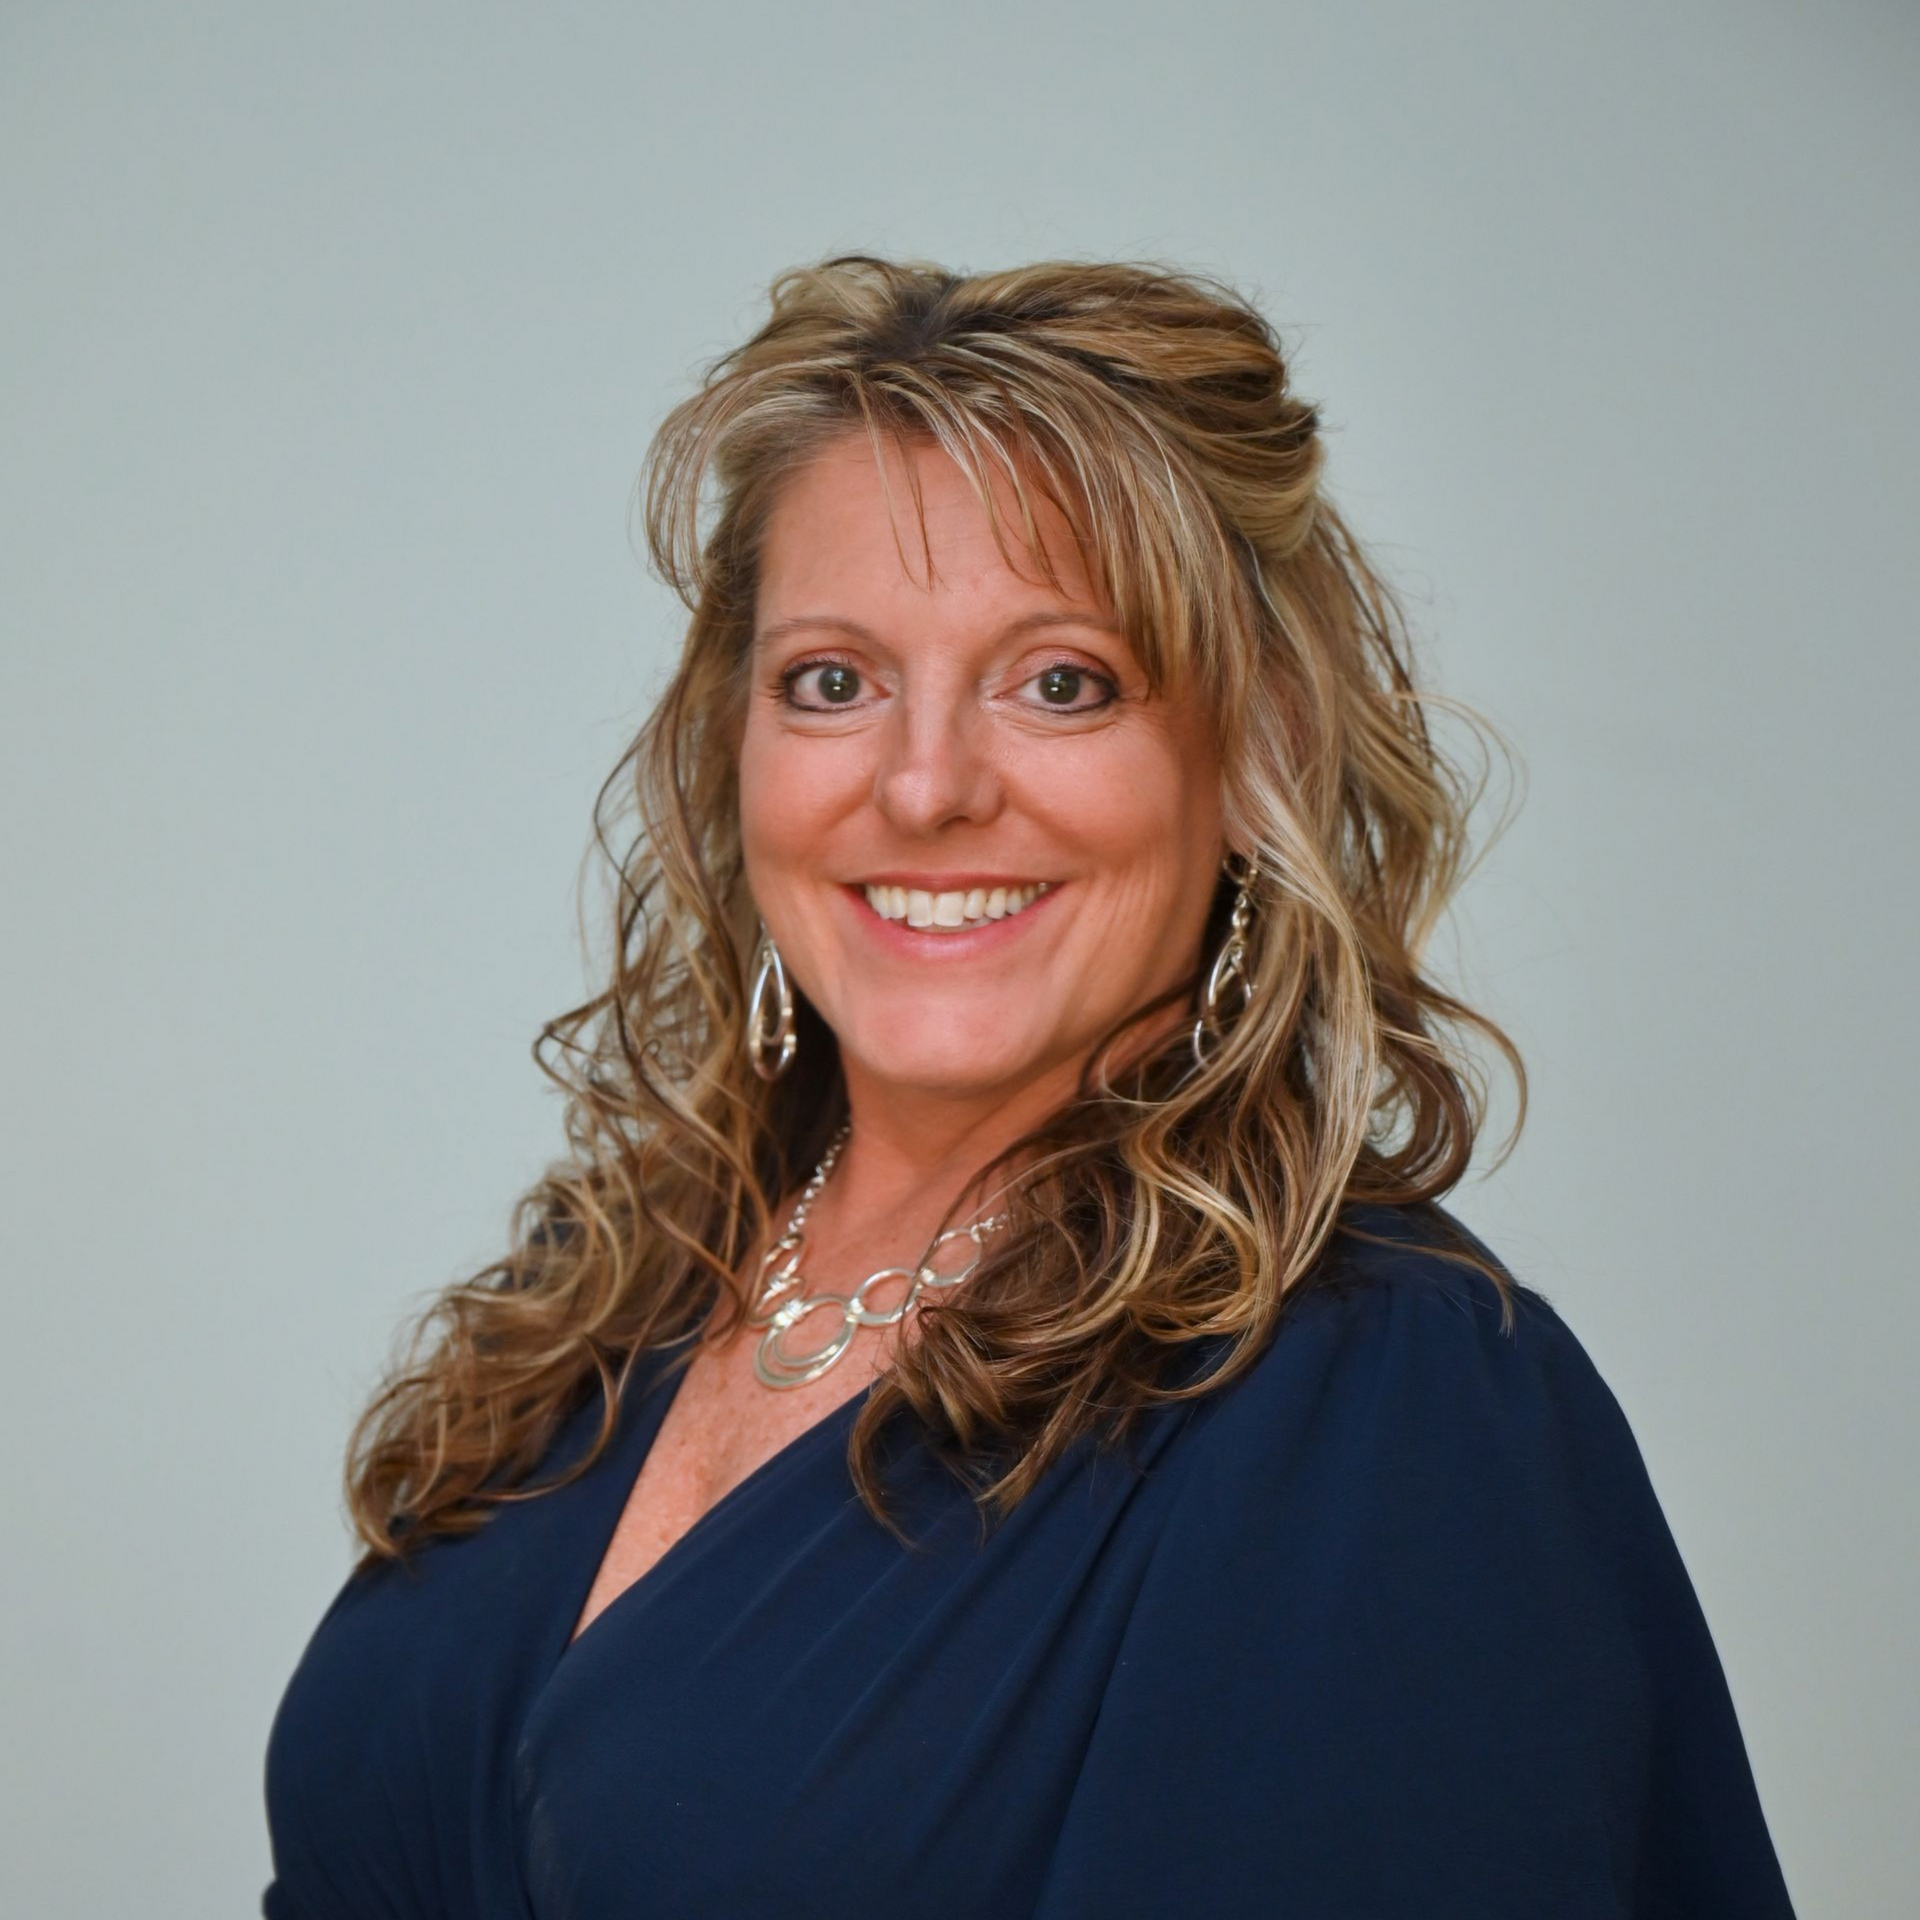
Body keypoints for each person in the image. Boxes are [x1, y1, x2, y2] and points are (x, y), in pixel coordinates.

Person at [260, 254, 1797, 1918]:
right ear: (734, 743)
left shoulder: (1381, 1409)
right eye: (833, 682)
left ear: (1251, 745)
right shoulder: (615, 1301)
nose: (924, 787)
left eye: (1061, 680)